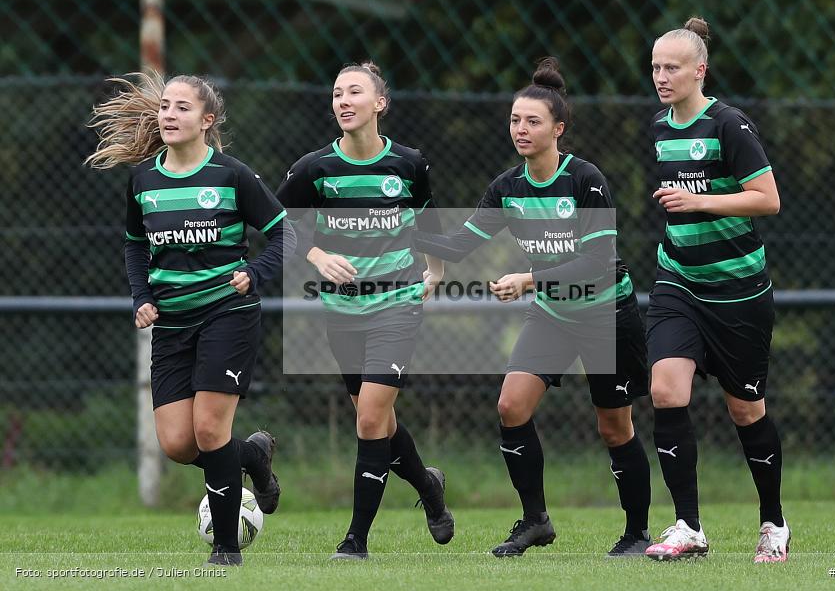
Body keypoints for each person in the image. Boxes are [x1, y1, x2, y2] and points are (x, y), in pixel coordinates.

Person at [413, 57, 653, 558]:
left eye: (533, 121)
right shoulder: (507, 187)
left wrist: (528, 280)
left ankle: (636, 534)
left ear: (558, 129)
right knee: (511, 405)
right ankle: (535, 521)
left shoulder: (585, 179)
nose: (520, 129)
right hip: (553, 313)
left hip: (605, 314)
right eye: (515, 120)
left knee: (614, 427)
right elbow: (459, 244)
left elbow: (598, 262)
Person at [85, 72, 296, 567]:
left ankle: (226, 551)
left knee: (208, 431)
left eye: (182, 107)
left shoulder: (231, 175)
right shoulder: (144, 181)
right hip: (172, 324)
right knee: (178, 443)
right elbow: (135, 246)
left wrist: (255, 273)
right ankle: (252, 457)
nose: (169, 115)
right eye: (165, 106)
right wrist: (141, 296)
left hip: (227, 313)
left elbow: (285, 233)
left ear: (207, 120)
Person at [275, 62, 453, 560]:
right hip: (341, 311)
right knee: (378, 419)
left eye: (354, 91)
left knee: (371, 419)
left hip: (396, 303)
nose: (343, 101)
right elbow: (276, 220)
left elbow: (428, 221)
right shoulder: (314, 169)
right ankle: (428, 486)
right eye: (337, 93)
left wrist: (435, 273)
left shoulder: (408, 163)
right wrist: (316, 255)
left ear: (380, 103)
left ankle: (355, 541)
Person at [644, 17, 789, 562]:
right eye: (656, 67)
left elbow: (768, 199)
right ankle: (688, 527)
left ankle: (774, 522)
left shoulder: (729, 125)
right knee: (665, 391)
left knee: (746, 411)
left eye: (672, 67)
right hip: (678, 280)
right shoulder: (659, 128)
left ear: (699, 70)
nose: (661, 77)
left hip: (738, 292)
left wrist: (700, 201)